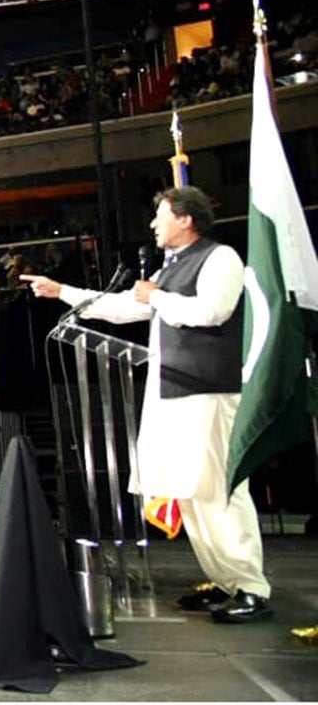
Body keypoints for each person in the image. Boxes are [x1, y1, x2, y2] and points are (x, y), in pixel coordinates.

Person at [21, 186, 270, 623]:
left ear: (186, 219)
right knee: (189, 491)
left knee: (219, 488)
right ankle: (224, 579)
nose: (154, 224)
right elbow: (120, 308)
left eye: (160, 216)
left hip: (206, 389)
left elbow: (212, 311)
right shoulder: (170, 268)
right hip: (172, 390)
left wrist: (154, 296)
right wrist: (61, 291)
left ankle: (250, 585)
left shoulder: (220, 258)